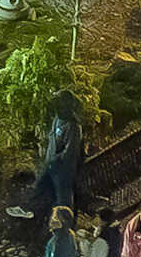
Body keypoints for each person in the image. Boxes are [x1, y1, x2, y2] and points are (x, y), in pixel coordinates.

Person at [6, 91, 84, 220]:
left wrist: (55, 160)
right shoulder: (57, 119)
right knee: (39, 186)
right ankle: (27, 209)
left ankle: (66, 224)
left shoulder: (73, 127)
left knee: (63, 197)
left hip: (63, 169)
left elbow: (71, 151)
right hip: (51, 164)